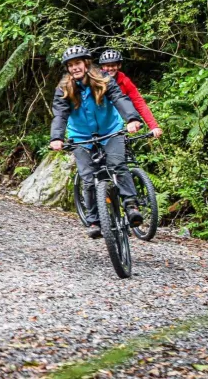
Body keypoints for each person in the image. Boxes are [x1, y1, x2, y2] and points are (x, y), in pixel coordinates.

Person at [48, 46, 145, 238]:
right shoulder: (64, 88)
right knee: (88, 177)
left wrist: (132, 118)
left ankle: (131, 205)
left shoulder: (103, 79)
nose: (74, 67)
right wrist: (57, 138)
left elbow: (119, 98)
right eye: (70, 65)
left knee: (118, 164)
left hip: (110, 131)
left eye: (77, 63)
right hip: (81, 137)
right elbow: (60, 115)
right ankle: (94, 220)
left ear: (86, 63)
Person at [96, 49, 162, 138]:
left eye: (113, 65)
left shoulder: (125, 82)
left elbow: (139, 103)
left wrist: (153, 126)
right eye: (107, 66)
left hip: (118, 124)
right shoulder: (95, 81)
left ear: (119, 65)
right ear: (102, 67)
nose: (110, 68)